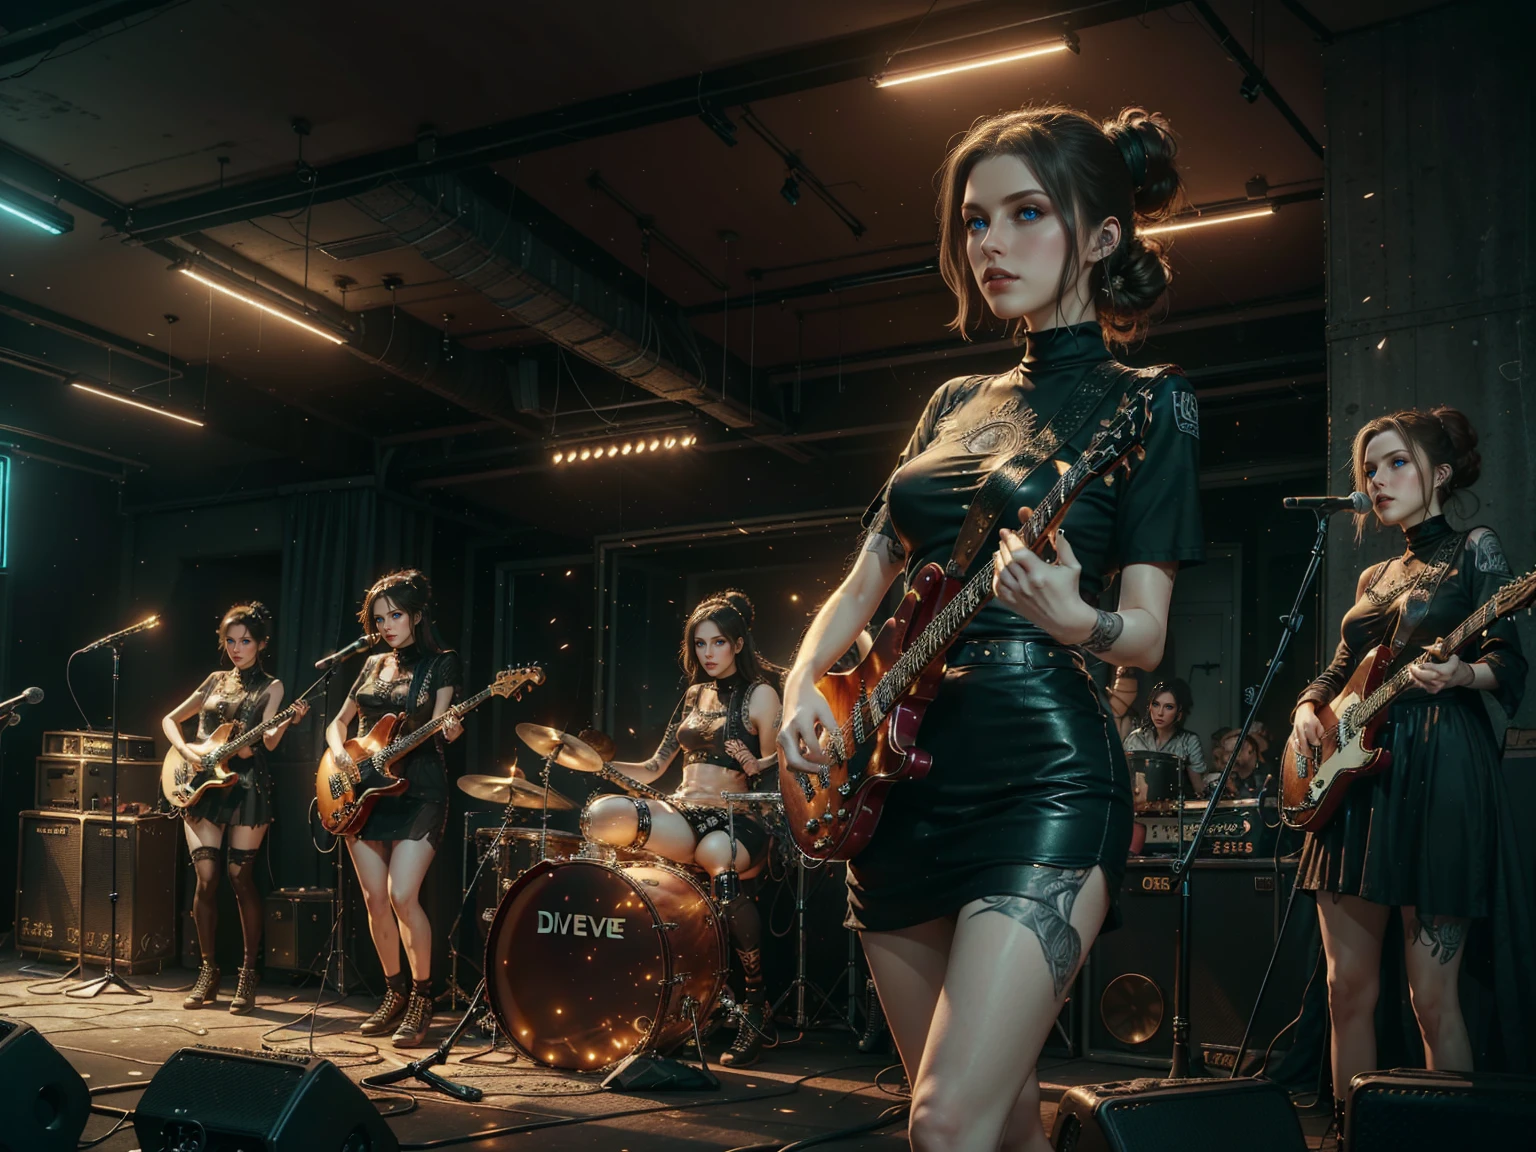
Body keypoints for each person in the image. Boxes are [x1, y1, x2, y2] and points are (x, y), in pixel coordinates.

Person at [778, 106, 1203, 1151]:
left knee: (945, 1121)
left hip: (1045, 772)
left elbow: (1144, 633)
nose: (990, 246)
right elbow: (863, 580)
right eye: (975, 221)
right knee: (999, 1115)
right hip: (893, 780)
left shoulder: (1147, 404)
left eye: (1025, 214)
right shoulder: (952, 399)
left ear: (1102, 237)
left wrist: (1079, 619)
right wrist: (799, 689)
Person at [1288, 407, 1529, 1130]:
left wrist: (1461, 674)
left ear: (1440, 473)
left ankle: (1444, 1141)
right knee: (1345, 989)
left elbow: (1508, 661)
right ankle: (1346, 1134)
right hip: (1352, 779)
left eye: (1396, 463)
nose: (1378, 479)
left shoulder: (1475, 549)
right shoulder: (1374, 571)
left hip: (1437, 770)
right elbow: (1338, 667)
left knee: (1432, 998)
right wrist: (1308, 707)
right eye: (1370, 467)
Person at [583, 590, 783, 1067]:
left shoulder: (762, 693)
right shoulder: (695, 695)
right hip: (685, 812)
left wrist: (757, 761)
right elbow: (654, 767)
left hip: (740, 820)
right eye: (699, 645)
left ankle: (756, 1004)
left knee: (716, 852)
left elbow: (784, 763)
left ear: (737, 643)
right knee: (603, 814)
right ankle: (677, 990)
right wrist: (598, 763)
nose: (708, 654)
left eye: (717, 643)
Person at [324, 570, 462, 1047]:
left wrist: (450, 729)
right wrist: (339, 752)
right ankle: (394, 993)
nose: (387, 625)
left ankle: (424, 996)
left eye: (396, 615)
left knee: (403, 896)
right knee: (374, 900)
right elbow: (339, 723)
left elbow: (445, 721)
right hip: (360, 790)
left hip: (418, 788)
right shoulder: (371, 664)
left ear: (417, 615)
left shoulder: (441, 663)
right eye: (379, 618)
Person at [162, 602, 308, 1013]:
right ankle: (208, 971)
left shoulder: (272, 686)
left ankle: (247, 973)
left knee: (240, 877)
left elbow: (271, 741)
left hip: (246, 784)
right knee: (206, 877)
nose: (237, 648)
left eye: (245, 641)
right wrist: (187, 751)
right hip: (201, 781)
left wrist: (283, 725)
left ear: (262, 643)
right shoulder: (213, 681)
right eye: (230, 640)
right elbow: (170, 720)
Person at [1122, 680, 1207, 798]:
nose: (1160, 713)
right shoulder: (1134, 739)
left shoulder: (1188, 741)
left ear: (1179, 712)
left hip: (1174, 811)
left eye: (1169, 707)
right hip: (1138, 809)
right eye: (1156, 704)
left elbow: (1199, 790)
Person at [1216, 728, 1264, 800]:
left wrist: (1236, 791)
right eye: (1227, 752)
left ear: (1249, 748)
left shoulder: (1263, 773)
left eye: (1234, 751)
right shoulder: (1229, 776)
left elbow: (1258, 799)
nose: (1228, 758)